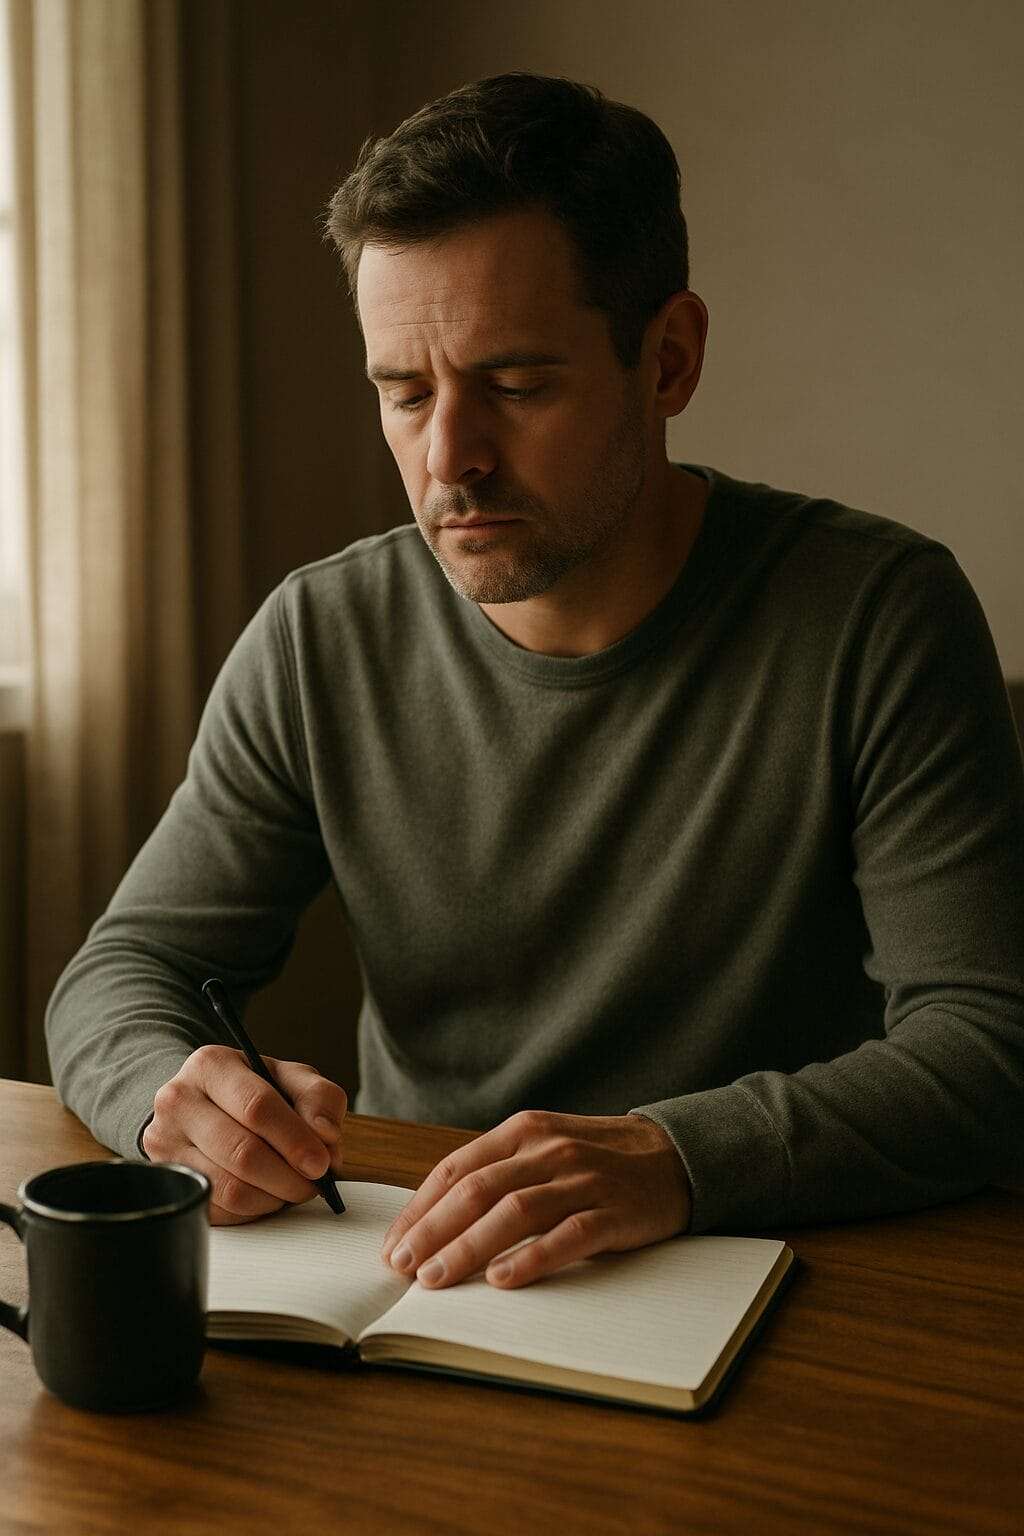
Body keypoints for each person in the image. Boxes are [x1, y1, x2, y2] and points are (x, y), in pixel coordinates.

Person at [46, 73, 1024, 1293]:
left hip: (774, 1273)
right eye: (404, 394)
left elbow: (986, 1049)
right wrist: (166, 1097)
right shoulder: (319, 636)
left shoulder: (877, 616)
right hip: (424, 1278)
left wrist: (672, 1155)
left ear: (667, 360)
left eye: (515, 386)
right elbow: (122, 970)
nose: (449, 455)